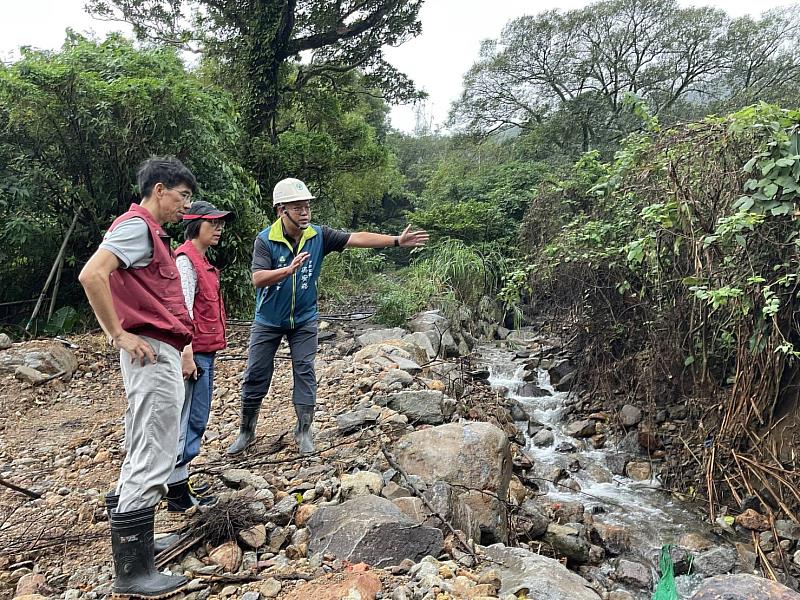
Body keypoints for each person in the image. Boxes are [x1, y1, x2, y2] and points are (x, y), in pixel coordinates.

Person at [227, 177, 429, 457]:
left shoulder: (318, 235)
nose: (305, 212)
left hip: (305, 319)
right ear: (280, 210)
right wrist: (287, 270)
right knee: (256, 374)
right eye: (297, 207)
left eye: (307, 206)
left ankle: (304, 430)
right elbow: (258, 278)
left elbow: (356, 237)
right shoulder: (265, 240)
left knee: (305, 370)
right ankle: (246, 432)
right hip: (269, 320)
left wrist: (396, 240)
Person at [79, 156, 196, 598]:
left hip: (155, 350)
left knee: (140, 443)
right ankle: (133, 571)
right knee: (154, 447)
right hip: (149, 351)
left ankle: (139, 547)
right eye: (182, 197)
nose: (185, 207)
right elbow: (92, 274)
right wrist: (117, 335)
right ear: (160, 189)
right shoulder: (137, 227)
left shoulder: (150, 234)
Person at [165, 200, 234, 511]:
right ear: (196, 226)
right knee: (189, 419)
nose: (218, 229)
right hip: (195, 355)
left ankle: (181, 480)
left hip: (205, 353)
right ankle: (176, 492)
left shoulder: (201, 261)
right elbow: (183, 310)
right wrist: (187, 353)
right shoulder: (185, 262)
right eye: (212, 224)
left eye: (220, 224)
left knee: (195, 418)